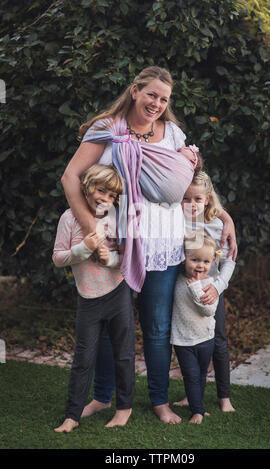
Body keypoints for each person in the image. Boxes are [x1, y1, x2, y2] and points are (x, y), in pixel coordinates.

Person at [60, 66, 238, 424]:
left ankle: (159, 400)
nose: (157, 103)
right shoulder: (110, 129)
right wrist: (91, 229)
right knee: (112, 328)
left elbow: (191, 187)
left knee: (157, 328)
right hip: (120, 245)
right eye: (151, 94)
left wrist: (225, 217)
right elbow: (70, 177)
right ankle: (103, 396)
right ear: (135, 90)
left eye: (164, 99)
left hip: (166, 243)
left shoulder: (172, 133)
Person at [53, 164, 135, 432]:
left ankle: (124, 408)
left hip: (118, 293)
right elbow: (58, 258)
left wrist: (110, 259)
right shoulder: (69, 219)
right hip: (88, 299)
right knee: (83, 358)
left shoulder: (115, 218)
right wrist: (83, 248)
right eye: (101, 190)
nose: (106, 199)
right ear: (87, 188)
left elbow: (130, 260)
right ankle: (72, 416)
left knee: (123, 354)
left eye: (112, 196)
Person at [173, 170, 236, 412]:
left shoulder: (218, 224)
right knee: (187, 342)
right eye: (185, 198)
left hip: (212, 291)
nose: (191, 204)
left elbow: (229, 260)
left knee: (218, 340)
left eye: (197, 199)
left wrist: (218, 287)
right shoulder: (175, 220)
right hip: (184, 292)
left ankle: (224, 397)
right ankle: (192, 395)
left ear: (208, 199)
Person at [170, 235, 222, 423]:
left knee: (201, 375)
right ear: (184, 259)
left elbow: (208, 310)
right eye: (195, 260)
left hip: (205, 338)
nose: (200, 265)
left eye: (206, 261)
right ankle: (197, 411)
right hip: (183, 339)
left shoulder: (211, 284)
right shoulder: (177, 279)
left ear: (213, 262)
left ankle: (197, 404)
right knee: (191, 376)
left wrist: (196, 289)